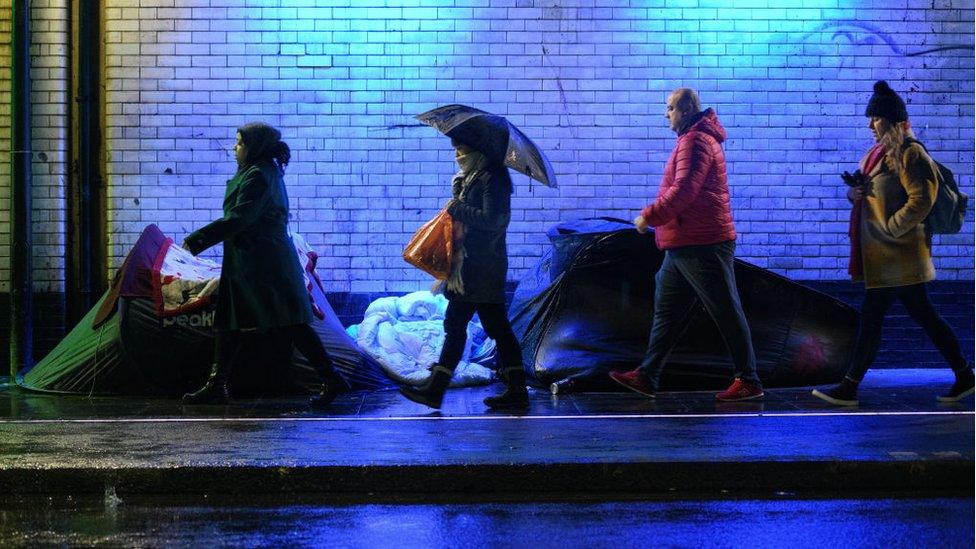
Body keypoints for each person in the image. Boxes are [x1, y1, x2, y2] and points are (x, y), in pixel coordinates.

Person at [812, 81, 974, 406]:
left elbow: (922, 199)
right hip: (885, 256)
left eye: (875, 118)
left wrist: (891, 227)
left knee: (872, 321)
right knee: (925, 316)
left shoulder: (910, 153)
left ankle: (849, 387)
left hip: (899, 255)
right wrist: (853, 193)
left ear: (890, 120)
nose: (870, 125)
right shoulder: (874, 155)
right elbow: (867, 196)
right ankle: (965, 375)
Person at [609, 88, 763, 402]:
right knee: (667, 311)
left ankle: (749, 380)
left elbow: (683, 192)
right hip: (684, 242)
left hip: (703, 243)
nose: (666, 114)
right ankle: (648, 375)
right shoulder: (693, 139)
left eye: (670, 108)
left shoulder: (695, 142)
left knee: (725, 310)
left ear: (686, 110)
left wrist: (648, 216)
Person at [181, 122, 347, 407]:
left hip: (263, 264)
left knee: (289, 323)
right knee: (231, 321)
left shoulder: (259, 176)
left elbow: (240, 218)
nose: (235, 148)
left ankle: (332, 378)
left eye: (239, 143)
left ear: (253, 147)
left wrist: (196, 241)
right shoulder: (260, 172)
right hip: (253, 261)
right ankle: (217, 384)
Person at [400, 138, 528, 410]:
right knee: (492, 327)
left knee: (462, 324)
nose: (458, 153)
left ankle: (436, 389)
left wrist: (457, 206)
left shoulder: (494, 178)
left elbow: (494, 221)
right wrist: (459, 191)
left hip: (481, 267)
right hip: (471, 266)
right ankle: (516, 389)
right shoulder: (474, 176)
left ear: (479, 149)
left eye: (463, 148)